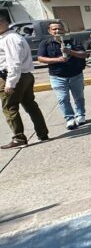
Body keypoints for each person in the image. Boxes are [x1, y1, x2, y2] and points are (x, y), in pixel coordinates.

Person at [0, 11, 48, 148]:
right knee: (30, 105)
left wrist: (10, 83)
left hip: (13, 77)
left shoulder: (10, 39)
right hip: (23, 76)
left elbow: (14, 62)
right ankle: (42, 133)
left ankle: (19, 138)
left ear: (5, 23)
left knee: (10, 108)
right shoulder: (9, 37)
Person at [37, 21, 87, 130]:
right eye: (54, 29)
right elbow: (40, 58)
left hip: (76, 75)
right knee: (63, 99)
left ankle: (80, 115)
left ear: (64, 30)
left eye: (59, 28)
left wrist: (70, 51)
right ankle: (70, 119)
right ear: (49, 31)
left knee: (79, 97)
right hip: (57, 76)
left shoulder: (73, 40)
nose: (57, 31)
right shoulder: (45, 43)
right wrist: (57, 60)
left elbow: (84, 54)